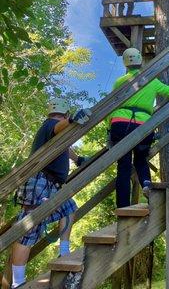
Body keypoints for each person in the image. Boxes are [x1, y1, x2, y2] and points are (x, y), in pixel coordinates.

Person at [11, 99, 91, 288]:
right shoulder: (51, 125)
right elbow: (59, 127)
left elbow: (65, 147)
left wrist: (78, 159)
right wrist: (71, 121)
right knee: (28, 231)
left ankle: (63, 251)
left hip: (51, 184)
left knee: (69, 208)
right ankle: (17, 283)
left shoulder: (54, 132)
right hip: (40, 182)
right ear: (64, 113)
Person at [108, 48, 169, 208]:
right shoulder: (151, 80)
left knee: (123, 165)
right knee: (140, 159)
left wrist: (109, 130)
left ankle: (122, 206)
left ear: (125, 63)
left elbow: (110, 106)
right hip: (143, 124)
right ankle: (146, 184)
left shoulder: (120, 81)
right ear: (140, 61)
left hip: (120, 123)